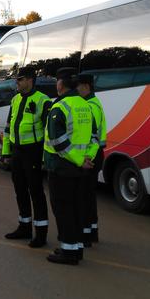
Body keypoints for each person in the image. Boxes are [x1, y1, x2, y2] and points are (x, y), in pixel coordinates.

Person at [43, 68, 95, 265]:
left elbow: (58, 141)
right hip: (80, 168)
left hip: (62, 167)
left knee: (62, 208)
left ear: (60, 84)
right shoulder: (85, 104)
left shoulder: (60, 107)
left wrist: (78, 159)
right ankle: (76, 247)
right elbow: (93, 136)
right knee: (74, 208)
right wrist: (86, 158)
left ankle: (68, 251)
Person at [1, 67, 52, 247]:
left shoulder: (43, 101)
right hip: (17, 152)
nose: (17, 83)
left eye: (20, 79)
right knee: (20, 190)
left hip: (33, 152)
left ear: (30, 80)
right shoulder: (15, 100)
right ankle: (24, 227)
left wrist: (45, 157)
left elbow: (49, 132)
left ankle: (41, 233)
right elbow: (8, 128)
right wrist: (6, 152)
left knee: (36, 192)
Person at [78, 73, 106, 245]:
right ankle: (92, 232)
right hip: (95, 155)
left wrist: (86, 158)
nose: (76, 90)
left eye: (79, 86)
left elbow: (93, 137)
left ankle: (86, 235)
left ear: (87, 86)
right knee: (88, 196)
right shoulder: (94, 103)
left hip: (91, 156)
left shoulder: (90, 106)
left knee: (84, 197)